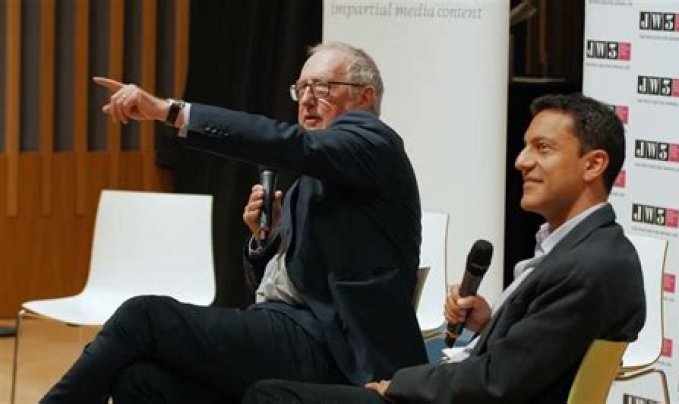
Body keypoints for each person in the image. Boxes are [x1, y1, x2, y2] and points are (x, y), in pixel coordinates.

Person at [42, 41, 427, 403]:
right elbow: (281, 283)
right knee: (141, 381)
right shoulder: (322, 172)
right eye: (302, 88)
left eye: (323, 87)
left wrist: (169, 111)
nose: (308, 99)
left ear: (365, 96)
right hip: (285, 328)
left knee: (141, 316)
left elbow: (288, 143)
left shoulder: (374, 143)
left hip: (334, 346)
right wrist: (266, 240)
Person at [241, 93, 647, 404]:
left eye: (543, 148)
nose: (521, 161)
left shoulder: (590, 264)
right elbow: (540, 356)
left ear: (593, 164)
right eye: (525, 146)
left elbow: (498, 380)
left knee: (273, 396)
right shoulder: (586, 250)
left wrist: (398, 384)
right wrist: (489, 325)